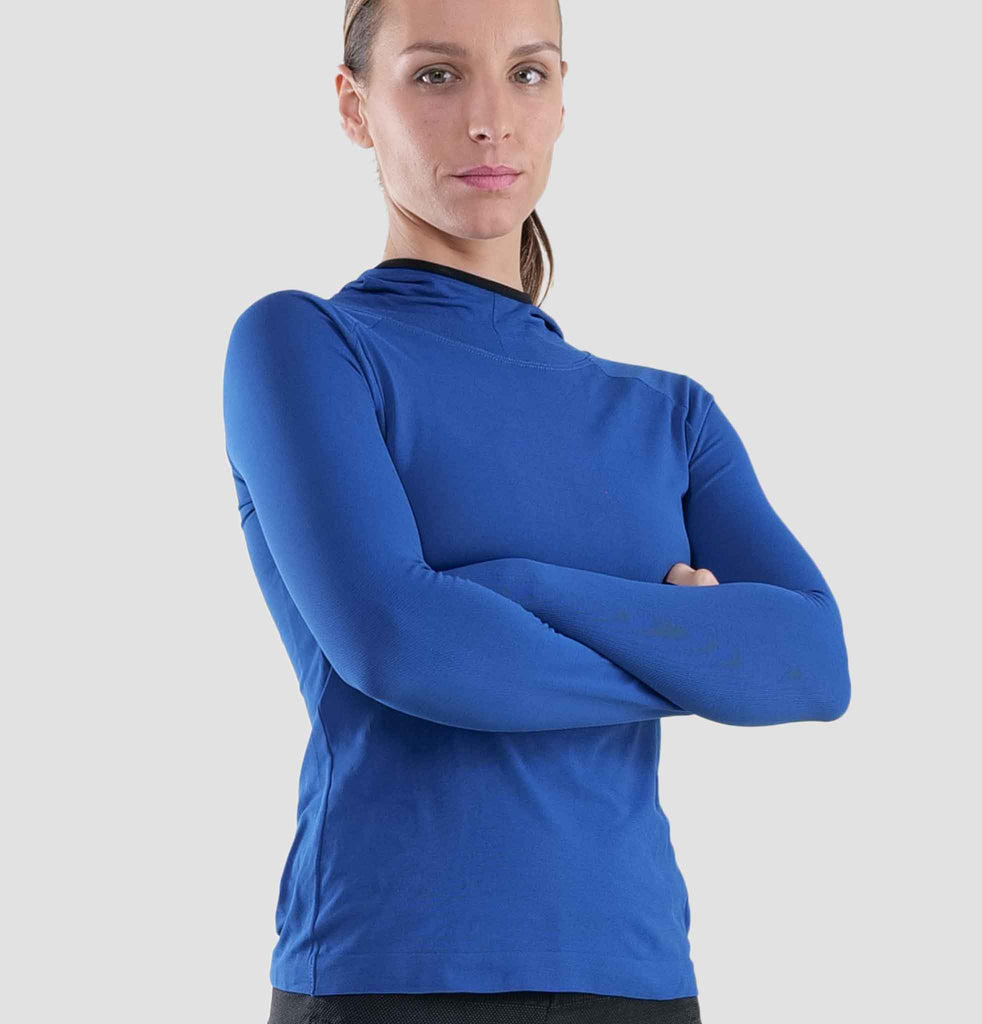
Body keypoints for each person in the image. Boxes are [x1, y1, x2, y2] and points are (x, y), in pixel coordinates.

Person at [221, 1, 852, 1021]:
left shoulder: (669, 413)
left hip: (638, 975)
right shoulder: (307, 346)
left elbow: (811, 665)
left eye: (527, 73)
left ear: (561, 100)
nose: (490, 119)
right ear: (354, 105)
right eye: (435, 75)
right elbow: (404, 648)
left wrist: (517, 590)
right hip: (393, 970)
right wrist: (688, 646)